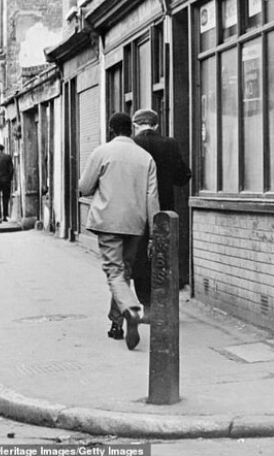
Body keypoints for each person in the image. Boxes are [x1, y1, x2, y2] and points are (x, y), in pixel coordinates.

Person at [79, 112, 159, 350]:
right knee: (123, 273)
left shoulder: (102, 152)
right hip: (136, 224)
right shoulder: (146, 158)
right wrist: (153, 233)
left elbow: (84, 187)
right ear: (131, 130)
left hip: (108, 221)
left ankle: (131, 310)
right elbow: (152, 198)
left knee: (115, 273)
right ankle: (117, 324)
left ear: (112, 130)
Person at [131, 108, 192, 310]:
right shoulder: (170, 144)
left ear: (136, 126)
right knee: (163, 258)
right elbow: (183, 176)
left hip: (137, 213)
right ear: (156, 125)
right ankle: (163, 305)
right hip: (164, 212)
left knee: (140, 260)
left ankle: (146, 304)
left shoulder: (131, 145)